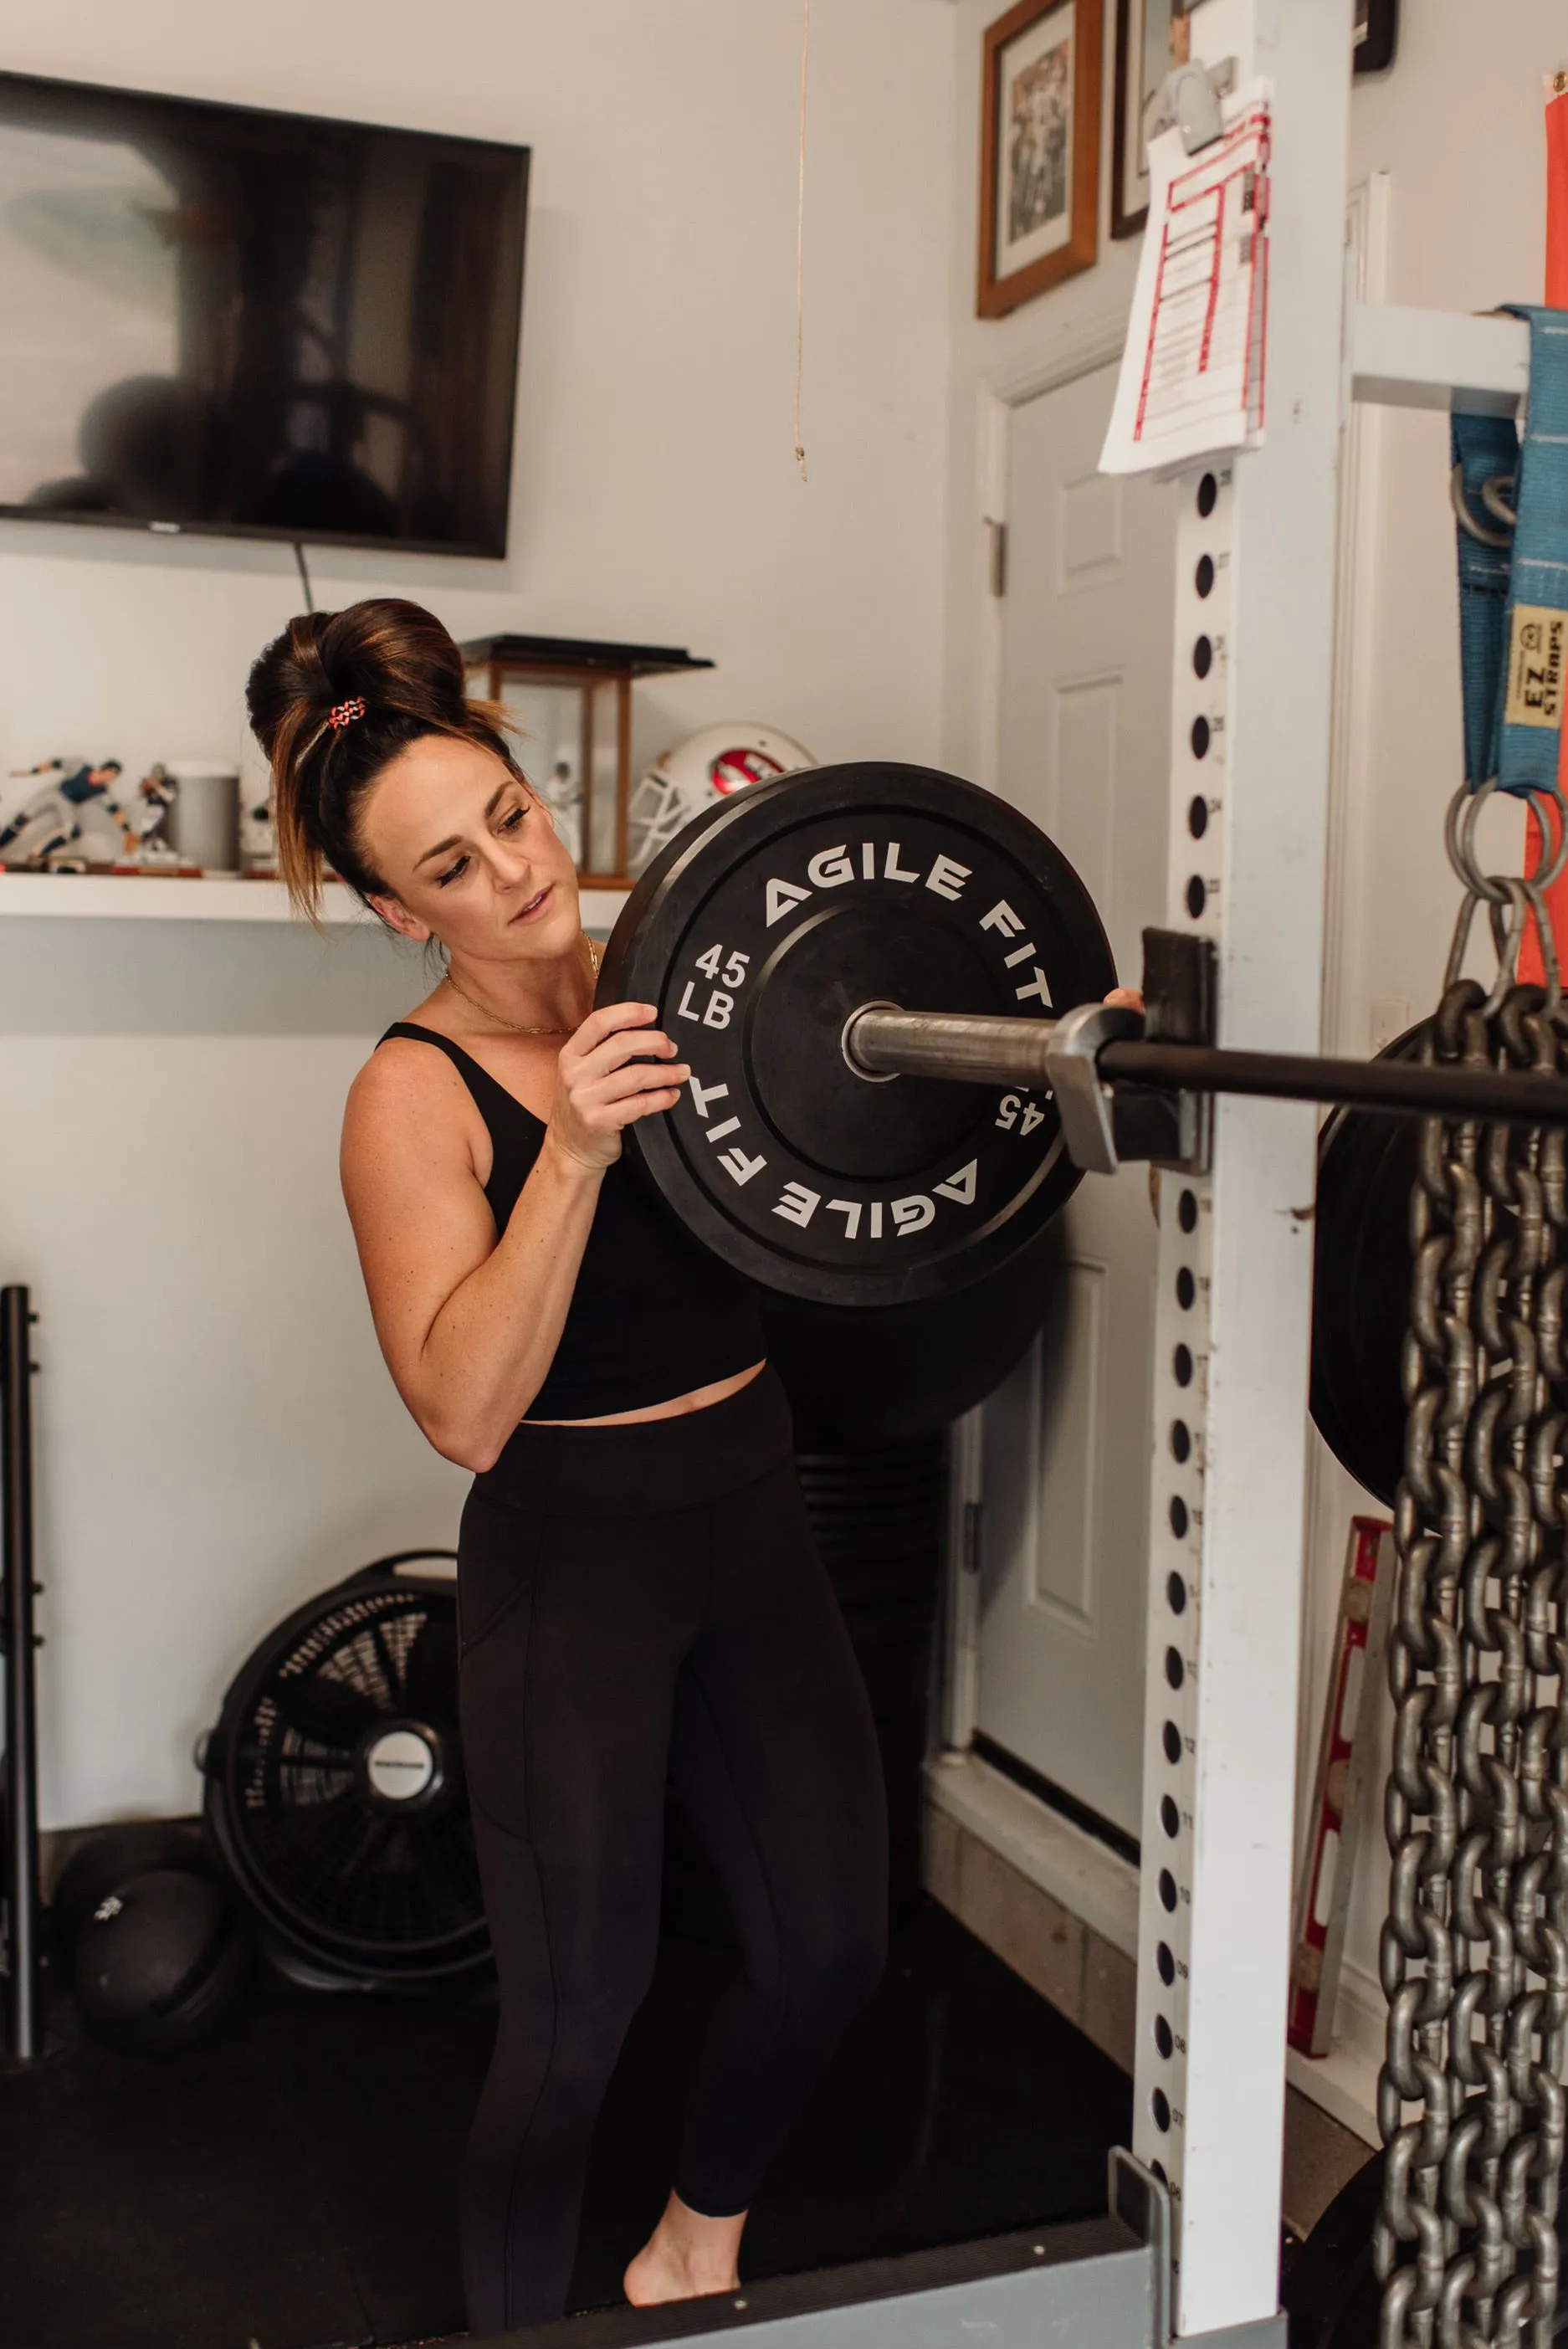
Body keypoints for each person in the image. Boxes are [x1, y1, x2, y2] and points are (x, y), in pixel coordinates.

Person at [245, 598, 888, 2336]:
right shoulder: (413, 1091)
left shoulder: (700, 979)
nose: (514, 875)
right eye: (450, 866)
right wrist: (579, 1151)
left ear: (541, 796)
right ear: (399, 910)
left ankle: (692, 2247)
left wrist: (1050, 1033)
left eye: (510, 818)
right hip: (573, 1558)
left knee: (830, 1941)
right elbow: (460, 1402)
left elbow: (889, 1079)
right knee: (574, 2023)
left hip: (752, 1516)